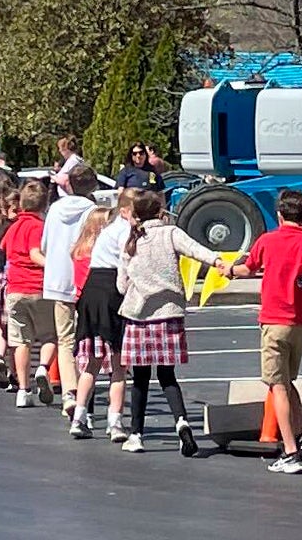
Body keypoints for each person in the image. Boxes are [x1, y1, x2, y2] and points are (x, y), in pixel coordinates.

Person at [116, 191, 227, 456]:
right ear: (160, 212)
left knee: (141, 379)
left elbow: (121, 285)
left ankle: (136, 434)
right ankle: (181, 421)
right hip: (169, 313)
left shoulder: (131, 241)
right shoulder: (171, 233)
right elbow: (197, 250)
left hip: (140, 315)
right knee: (167, 375)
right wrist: (219, 261)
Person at [225, 190, 302, 474]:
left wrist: (228, 270)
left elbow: (247, 269)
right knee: (288, 379)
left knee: (277, 385)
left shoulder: (268, 241)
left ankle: (291, 450)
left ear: (279, 215)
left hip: (274, 319)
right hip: (301, 321)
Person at [71, 189, 140, 442]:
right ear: (126, 210)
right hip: (112, 289)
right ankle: (115, 422)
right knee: (119, 365)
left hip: (91, 290)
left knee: (92, 362)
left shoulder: (108, 229)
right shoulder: (125, 231)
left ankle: (79, 418)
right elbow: (127, 262)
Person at [39, 164, 100, 418]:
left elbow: (44, 244)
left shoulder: (54, 209)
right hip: (86, 281)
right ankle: (86, 392)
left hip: (58, 280)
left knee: (65, 340)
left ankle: (69, 394)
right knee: (88, 340)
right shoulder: (94, 212)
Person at [1, 181, 53, 408]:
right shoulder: (38, 227)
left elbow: (4, 248)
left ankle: (24, 389)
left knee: (20, 341)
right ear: (45, 204)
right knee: (51, 336)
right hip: (38, 286)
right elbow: (34, 254)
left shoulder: (13, 228)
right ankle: (42, 367)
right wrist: (54, 265)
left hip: (15, 289)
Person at [68, 206, 113, 439]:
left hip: (81, 305)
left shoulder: (78, 250)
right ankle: (109, 418)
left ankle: (86, 413)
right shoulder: (99, 253)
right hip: (100, 306)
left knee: (87, 362)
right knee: (109, 363)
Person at [0, 188, 20, 391]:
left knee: (1, 324)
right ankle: (13, 373)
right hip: (10, 279)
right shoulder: (14, 228)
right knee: (15, 329)